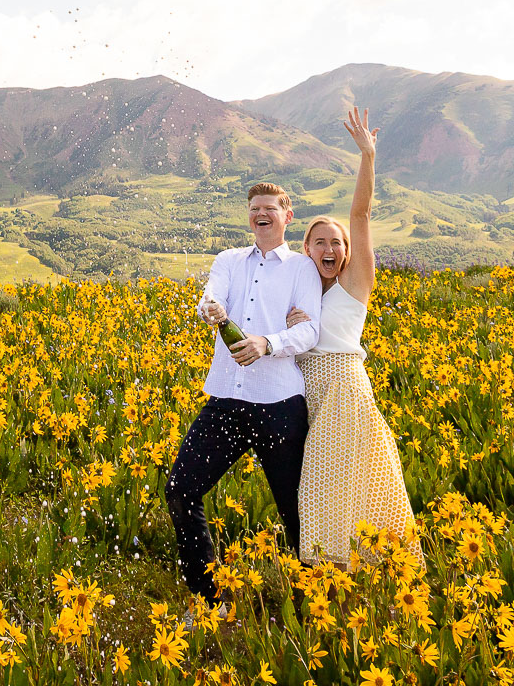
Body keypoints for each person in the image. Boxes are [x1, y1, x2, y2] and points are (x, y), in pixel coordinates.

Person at [165, 181, 325, 599]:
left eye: (270, 208)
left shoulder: (302, 268)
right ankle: (208, 597)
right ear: (248, 215)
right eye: (255, 208)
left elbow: (309, 330)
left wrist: (266, 343)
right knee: (181, 489)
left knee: (295, 511)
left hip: (279, 407)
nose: (261, 214)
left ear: (287, 216)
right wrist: (211, 309)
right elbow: (210, 298)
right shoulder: (229, 260)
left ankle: (313, 602)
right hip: (226, 401)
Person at [288, 105, 418, 566]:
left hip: (342, 388)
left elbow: (360, 214)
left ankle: (334, 573)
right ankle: (345, 576)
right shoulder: (297, 290)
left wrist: (368, 156)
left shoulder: (354, 283)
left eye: (336, 242)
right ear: (305, 250)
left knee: (328, 484)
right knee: (332, 486)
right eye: (319, 241)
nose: (329, 248)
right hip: (304, 395)